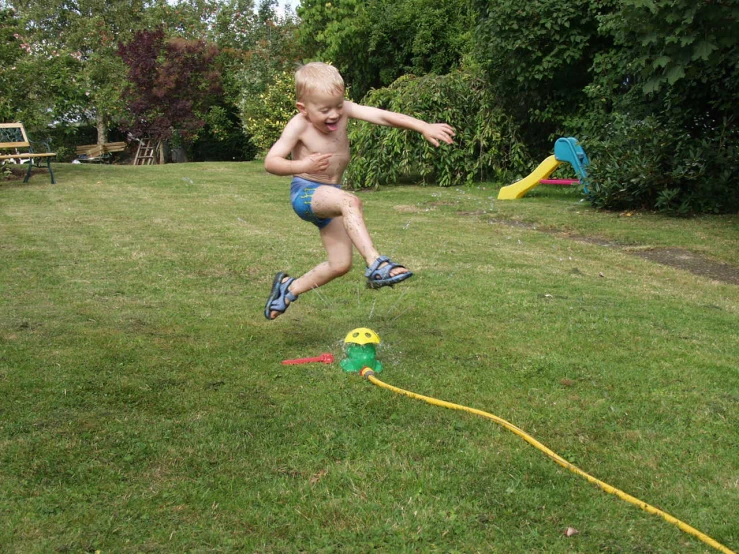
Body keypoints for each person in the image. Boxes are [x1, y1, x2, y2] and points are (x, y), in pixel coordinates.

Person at [264, 62, 455, 320]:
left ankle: (288, 289)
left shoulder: (344, 111)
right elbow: (271, 162)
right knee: (350, 201)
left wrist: (422, 126)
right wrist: (303, 165)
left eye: (338, 105)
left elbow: (382, 116)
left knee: (340, 264)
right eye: (325, 110)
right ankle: (376, 263)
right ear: (303, 108)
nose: (334, 114)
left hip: (330, 195)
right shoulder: (299, 125)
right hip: (306, 192)